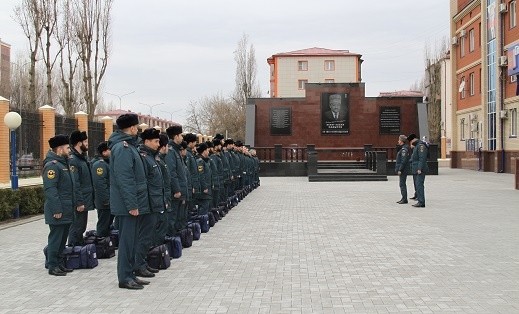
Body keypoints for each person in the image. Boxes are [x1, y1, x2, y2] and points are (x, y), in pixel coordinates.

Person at [108, 113, 150, 289]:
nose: (138, 129)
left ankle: (130, 273)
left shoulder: (129, 146)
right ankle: (124, 277)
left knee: (132, 241)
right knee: (126, 242)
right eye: (136, 127)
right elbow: (125, 179)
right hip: (127, 206)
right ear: (131, 128)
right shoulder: (123, 148)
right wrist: (132, 204)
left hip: (133, 203)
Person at [43, 134, 75, 276]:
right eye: (68, 148)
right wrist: (56, 209)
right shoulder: (52, 166)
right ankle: (52, 265)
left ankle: (60, 263)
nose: (70, 150)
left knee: (63, 239)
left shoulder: (64, 164)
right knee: (56, 238)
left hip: (67, 208)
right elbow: (51, 190)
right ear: (60, 149)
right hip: (58, 210)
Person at [136, 128, 166, 277]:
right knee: (144, 236)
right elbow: (144, 184)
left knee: (148, 236)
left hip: (154, 203)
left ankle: (143, 263)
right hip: (147, 204)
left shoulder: (151, 157)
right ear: (147, 141)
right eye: (156, 141)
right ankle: (139, 265)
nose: (158, 144)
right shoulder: (143, 158)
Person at [68, 130, 94, 246]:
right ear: (79, 143)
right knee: (76, 227)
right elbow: (75, 183)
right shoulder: (74, 160)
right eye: (85, 141)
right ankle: (74, 250)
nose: (87, 144)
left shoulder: (82, 158)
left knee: (81, 227)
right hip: (80, 201)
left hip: (85, 199)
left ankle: (79, 250)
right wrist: (79, 202)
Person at [165, 126, 188, 236]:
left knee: (178, 216)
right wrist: (176, 189)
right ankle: (171, 239)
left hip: (181, 190)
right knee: (172, 217)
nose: (182, 137)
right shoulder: (170, 151)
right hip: (176, 192)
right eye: (180, 135)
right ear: (176, 136)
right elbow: (171, 173)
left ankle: (175, 238)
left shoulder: (175, 150)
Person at [91, 141, 113, 237]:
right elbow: (100, 184)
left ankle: (106, 244)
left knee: (108, 223)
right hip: (104, 202)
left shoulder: (106, 163)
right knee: (103, 224)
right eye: (109, 150)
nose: (112, 152)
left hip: (109, 200)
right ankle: (101, 242)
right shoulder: (100, 165)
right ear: (104, 152)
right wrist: (106, 200)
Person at [409, 134, 429, 207]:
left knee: (419, 185)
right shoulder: (417, 146)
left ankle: (421, 202)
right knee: (418, 185)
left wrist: (419, 168)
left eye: (411, 141)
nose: (410, 143)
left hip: (420, 169)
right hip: (416, 169)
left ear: (414, 140)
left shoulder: (421, 146)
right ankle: (420, 200)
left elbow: (422, 158)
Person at [195, 143, 212, 216]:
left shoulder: (204, 161)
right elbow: (201, 175)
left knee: (205, 207)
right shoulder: (200, 161)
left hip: (206, 188)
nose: (208, 152)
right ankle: (202, 222)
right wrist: (204, 187)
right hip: (203, 190)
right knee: (203, 207)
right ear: (204, 151)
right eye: (207, 150)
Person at [395, 135, 410, 204]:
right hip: (403, 169)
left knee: (402, 184)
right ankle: (403, 198)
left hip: (403, 170)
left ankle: (404, 199)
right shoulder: (403, 148)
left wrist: (400, 169)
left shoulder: (404, 150)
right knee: (402, 184)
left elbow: (403, 161)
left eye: (399, 140)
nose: (398, 141)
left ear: (401, 141)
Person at [407, 134, 418, 200]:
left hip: (417, 168)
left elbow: (417, 158)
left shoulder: (418, 148)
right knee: (415, 182)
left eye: (411, 142)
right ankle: (416, 194)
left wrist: (410, 160)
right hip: (414, 168)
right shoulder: (414, 149)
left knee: (418, 183)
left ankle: (418, 195)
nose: (410, 144)